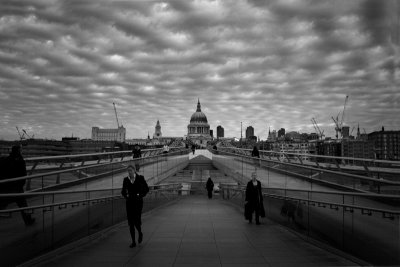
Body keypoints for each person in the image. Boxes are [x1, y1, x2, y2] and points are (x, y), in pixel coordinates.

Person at [0, 145, 35, 226]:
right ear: (19, 151)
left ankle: (28, 220)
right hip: (17, 188)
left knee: (2, 204)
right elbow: (23, 174)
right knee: (23, 205)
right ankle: (28, 221)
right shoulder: (21, 161)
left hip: (5, 187)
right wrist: (21, 184)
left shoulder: (5, 159)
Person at [121, 164, 149, 248]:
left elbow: (146, 189)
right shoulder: (126, 180)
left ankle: (140, 233)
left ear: (134, 170)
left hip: (138, 203)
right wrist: (126, 196)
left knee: (136, 221)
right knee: (131, 223)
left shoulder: (140, 178)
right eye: (128, 170)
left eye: (130, 170)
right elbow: (123, 191)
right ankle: (133, 242)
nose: (129, 172)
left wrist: (140, 195)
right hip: (129, 203)